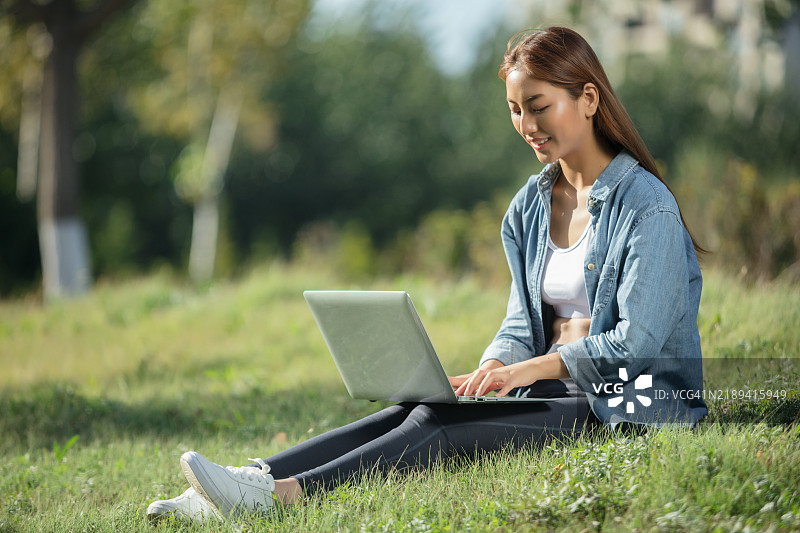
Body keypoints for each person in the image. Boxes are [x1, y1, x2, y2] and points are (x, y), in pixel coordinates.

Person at [147, 26, 708, 524]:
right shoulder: (529, 208)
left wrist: (527, 370)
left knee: (436, 430)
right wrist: (494, 368)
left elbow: (636, 344)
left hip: (623, 404)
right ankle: (246, 482)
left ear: (588, 99)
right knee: (417, 410)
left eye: (538, 106)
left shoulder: (646, 208)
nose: (527, 125)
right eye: (515, 110)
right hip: (551, 390)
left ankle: (284, 497)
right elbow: (521, 322)